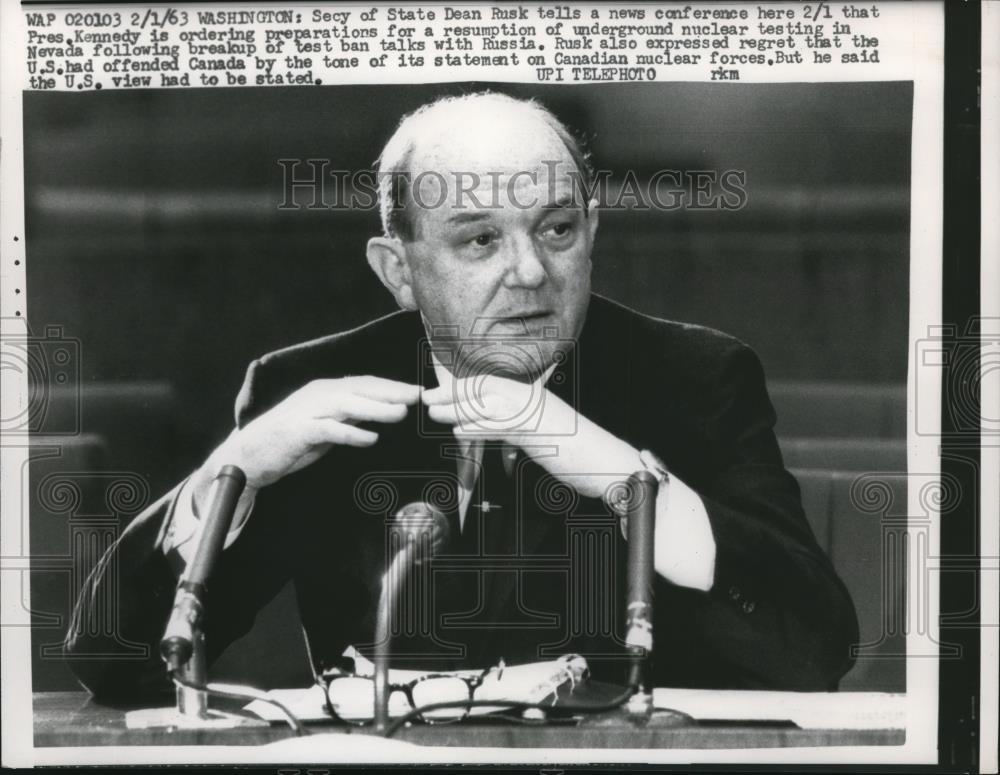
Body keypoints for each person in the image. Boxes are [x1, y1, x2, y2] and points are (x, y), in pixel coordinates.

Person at [65, 92, 858, 702]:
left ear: (594, 233)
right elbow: (112, 666)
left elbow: (816, 650)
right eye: (480, 239)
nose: (529, 273)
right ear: (398, 270)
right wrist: (225, 478)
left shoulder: (697, 377)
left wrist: (619, 475)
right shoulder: (307, 396)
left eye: (556, 230)